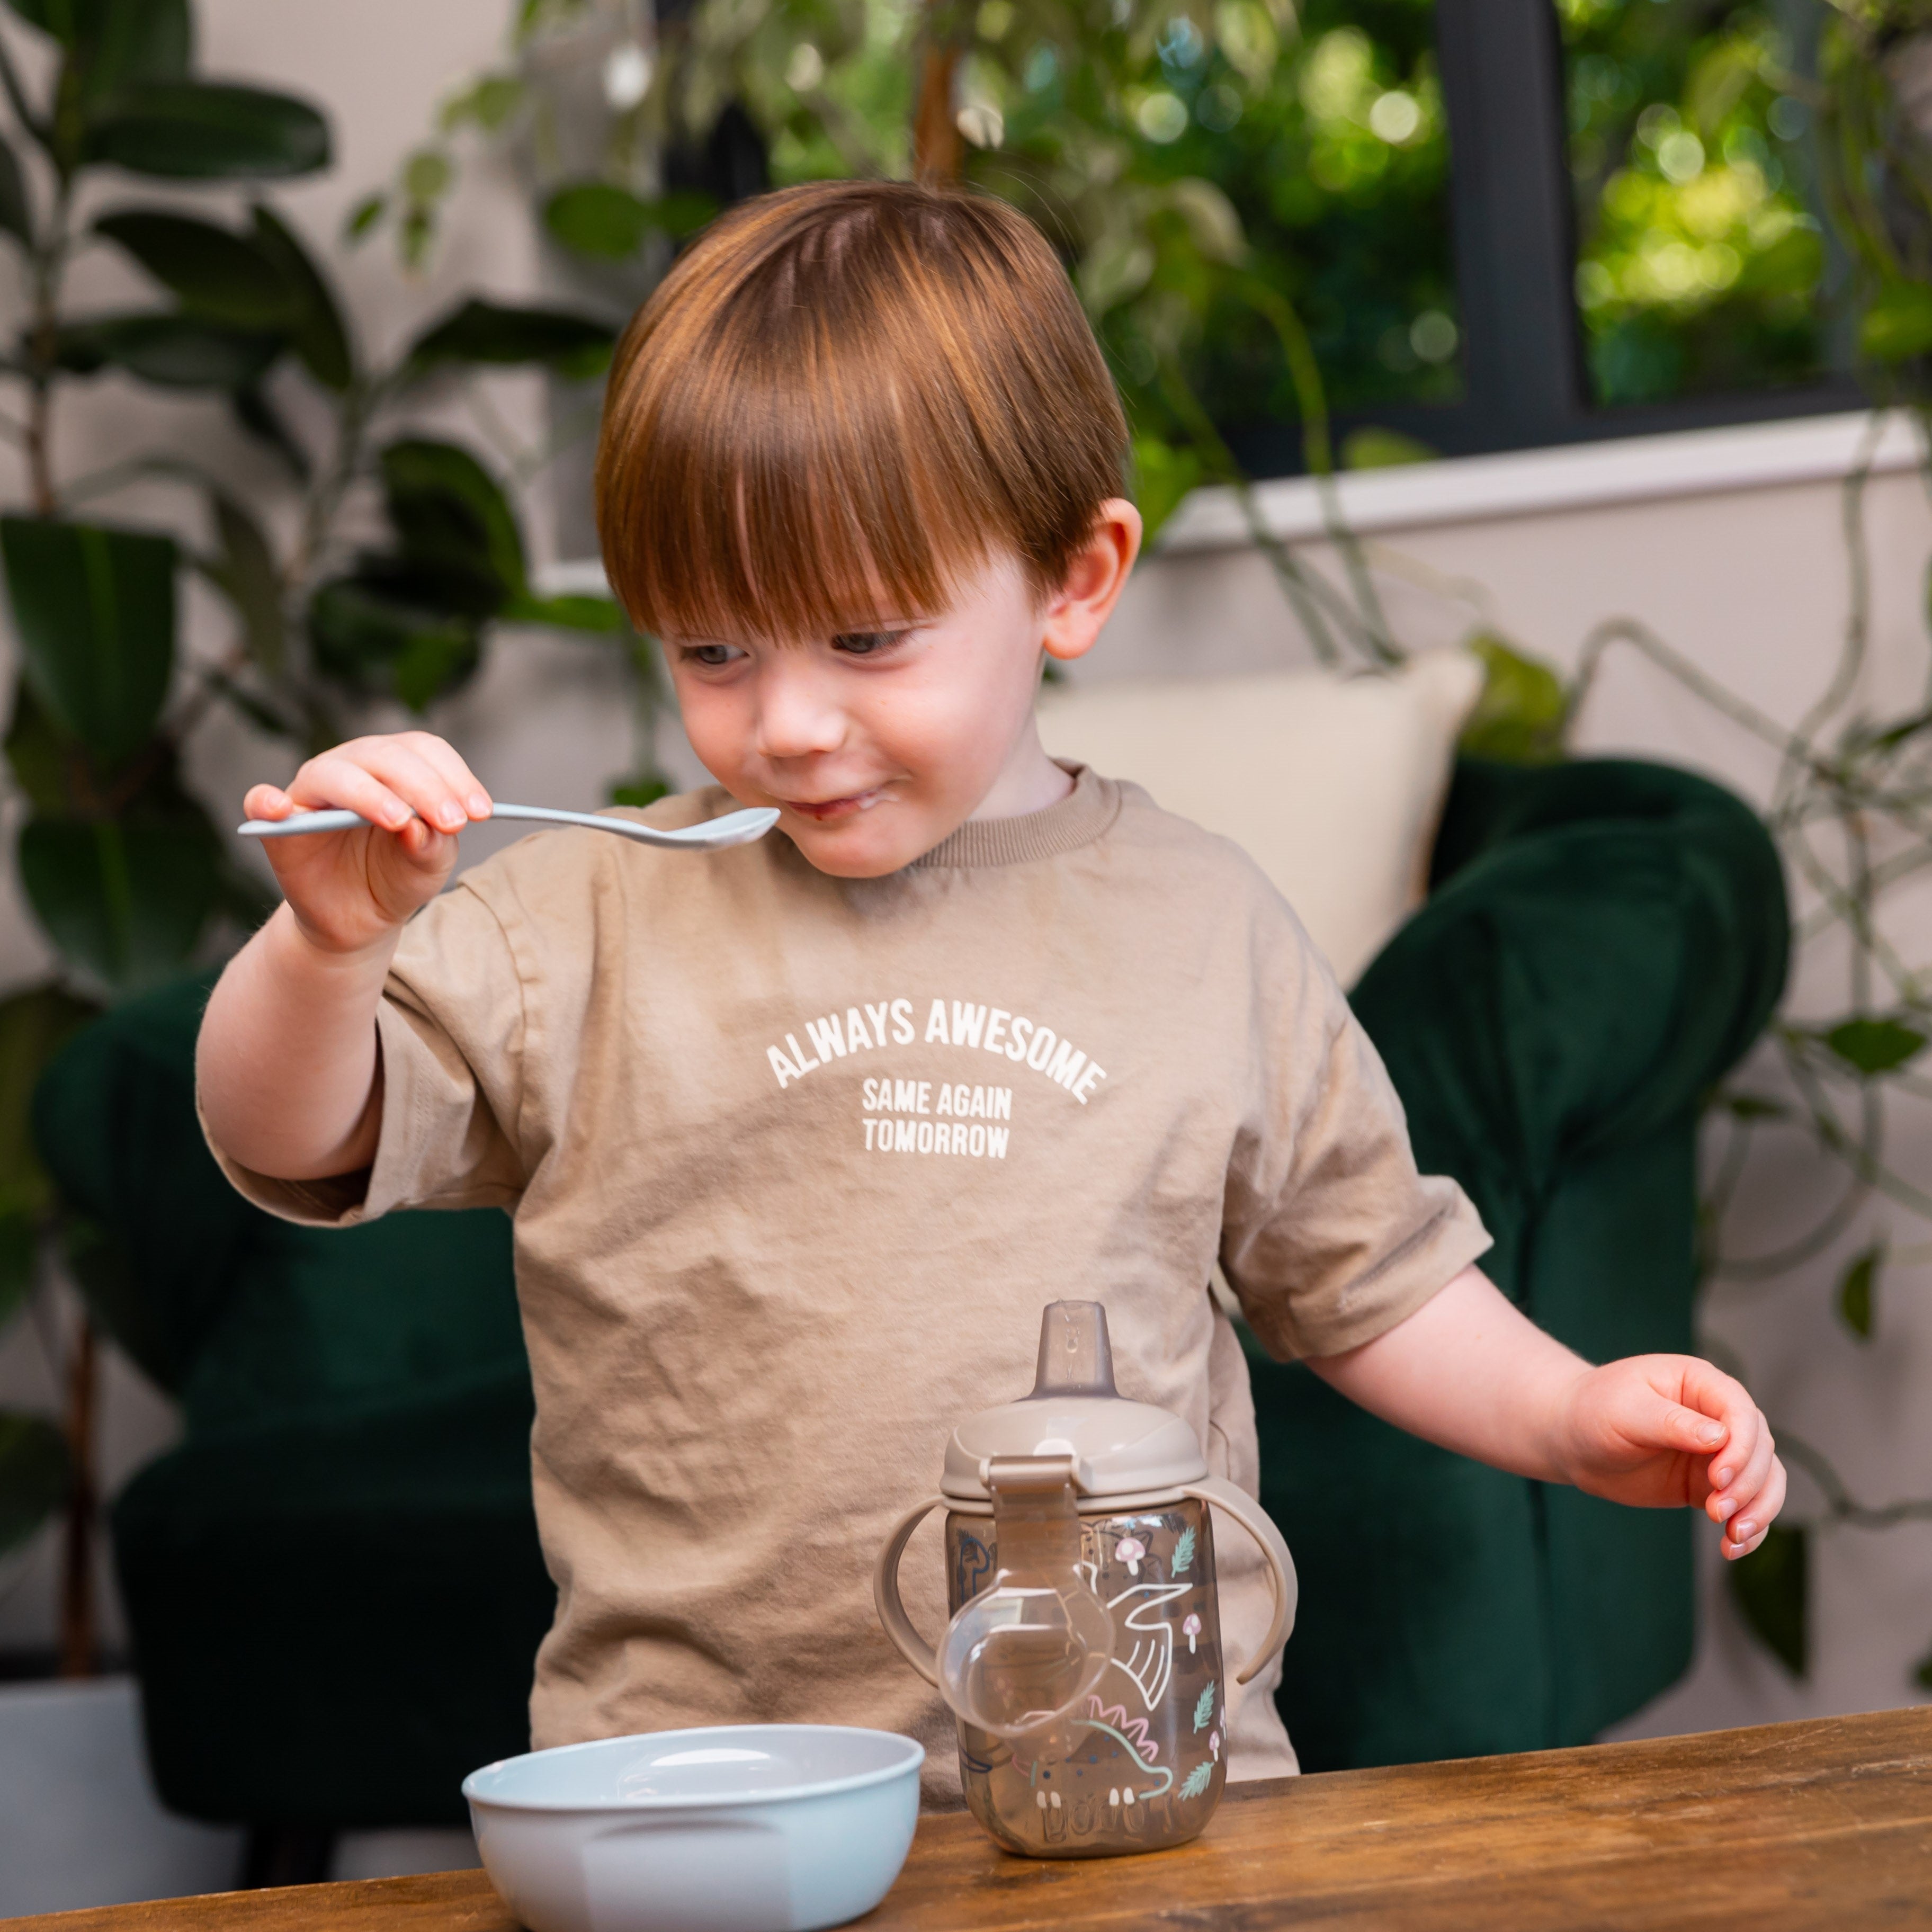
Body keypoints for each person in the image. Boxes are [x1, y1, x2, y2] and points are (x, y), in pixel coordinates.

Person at [196, 178, 1785, 1803]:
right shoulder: (588, 919)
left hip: (1144, 1799)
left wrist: (1573, 1407)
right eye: (713, 653)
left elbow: (1372, 1276)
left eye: (866, 637)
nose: (789, 723)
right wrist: (329, 949)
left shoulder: (1198, 923)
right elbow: (293, 1132)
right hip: (698, 1805)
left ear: (1073, 580)